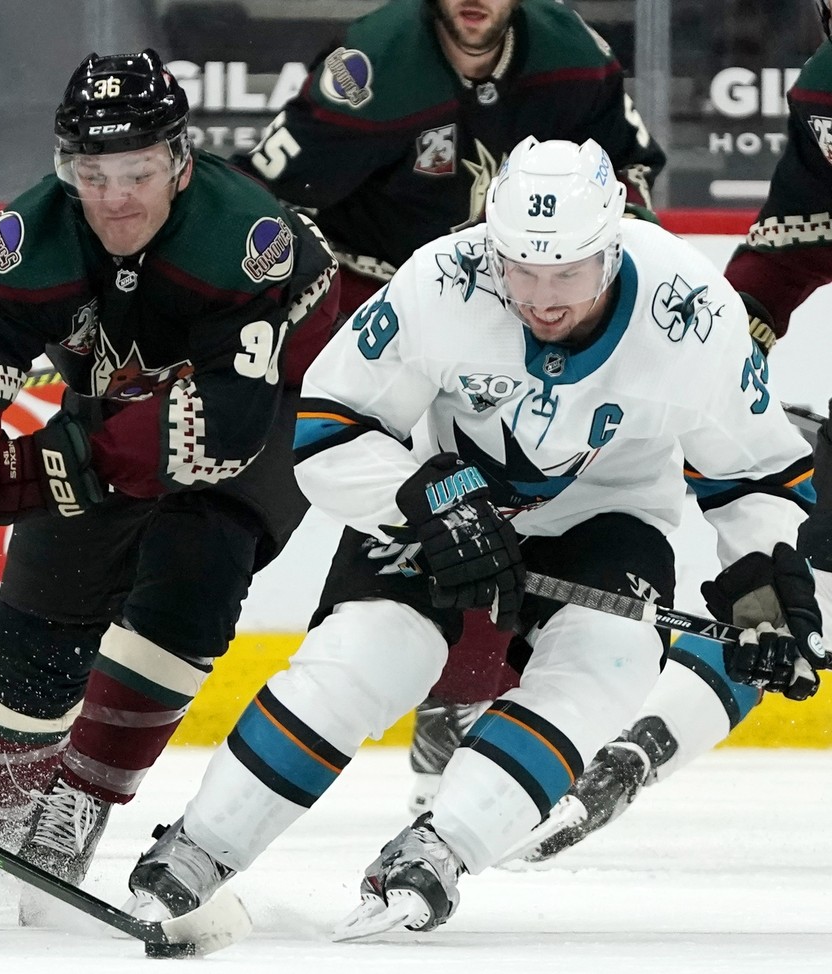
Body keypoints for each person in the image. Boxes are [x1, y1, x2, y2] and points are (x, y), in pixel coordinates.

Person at [122, 137, 825, 940]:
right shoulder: (442, 280)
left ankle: (441, 848)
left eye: (567, 273)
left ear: (613, 243)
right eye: (522, 271)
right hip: (441, 490)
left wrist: (768, 593)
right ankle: (199, 848)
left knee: (614, 658)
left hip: (608, 512)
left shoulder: (691, 314)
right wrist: (427, 497)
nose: (542, 299)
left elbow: (758, 476)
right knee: (377, 649)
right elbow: (328, 429)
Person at [0, 49, 339, 900]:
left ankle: (76, 808)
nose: (115, 197)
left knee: (194, 574)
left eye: (138, 172)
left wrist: (46, 470)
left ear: (180, 161)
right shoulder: (30, 237)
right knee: (35, 619)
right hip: (117, 408)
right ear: (64, 167)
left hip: (271, 417)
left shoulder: (247, 240)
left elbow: (223, 430)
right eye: (93, 172)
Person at [232, 0, 668, 815]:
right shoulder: (370, 68)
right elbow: (265, 201)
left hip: (528, 314)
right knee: (309, 490)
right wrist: (246, 314)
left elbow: (631, 176)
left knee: (522, 494)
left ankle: (462, 696)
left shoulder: (575, 56)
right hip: (381, 314)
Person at [512, 0, 832, 862]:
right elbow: (791, 247)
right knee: (797, 582)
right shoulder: (824, 97)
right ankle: (631, 758)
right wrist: (725, 360)